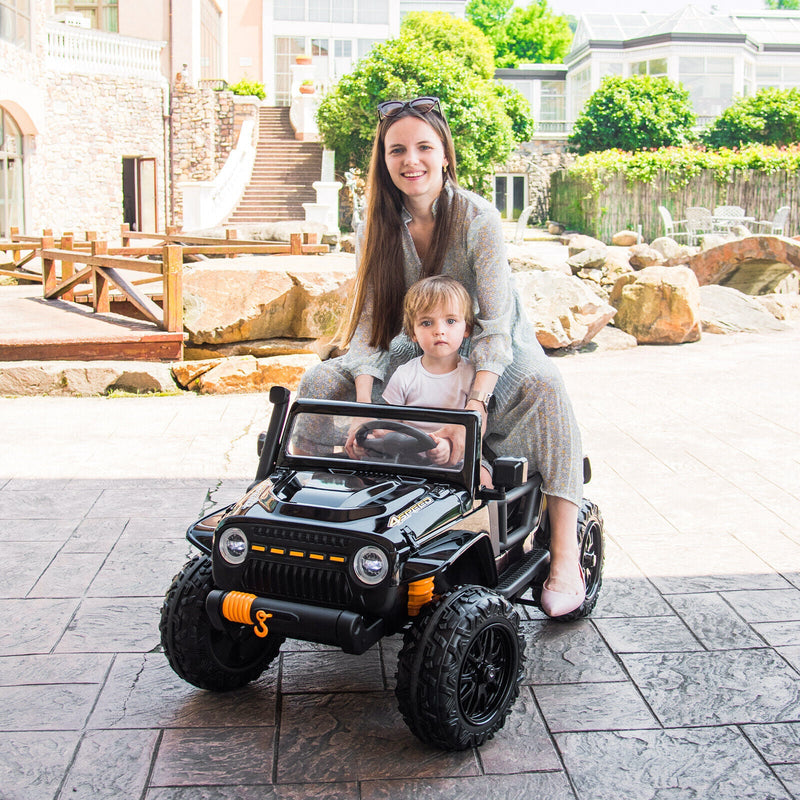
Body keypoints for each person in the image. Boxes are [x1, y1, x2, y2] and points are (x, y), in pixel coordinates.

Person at [296, 95, 585, 617]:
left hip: (491, 341)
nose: (412, 161)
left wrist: (472, 406)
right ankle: (325, 518)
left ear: (445, 154)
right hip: (414, 339)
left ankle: (565, 555)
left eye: (424, 147)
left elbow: (495, 323)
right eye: (397, 150)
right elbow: (370, 323)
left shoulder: (477, 216)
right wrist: (366, 407)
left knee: (544, 385)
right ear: (383, 162)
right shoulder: (376, 224)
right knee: (321, 382)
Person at [375, 275, 492, 487]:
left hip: (459, 458)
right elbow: (391, 423)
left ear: (466, 329)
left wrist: (448, 446)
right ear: (413, 332)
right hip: (407, 459)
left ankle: (486, 520)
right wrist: (378, 436)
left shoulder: (470, 375)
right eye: (427, 323)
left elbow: (475, 428)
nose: (439, 330)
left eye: (450, 321)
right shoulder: (405, 375)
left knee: (484, 477)